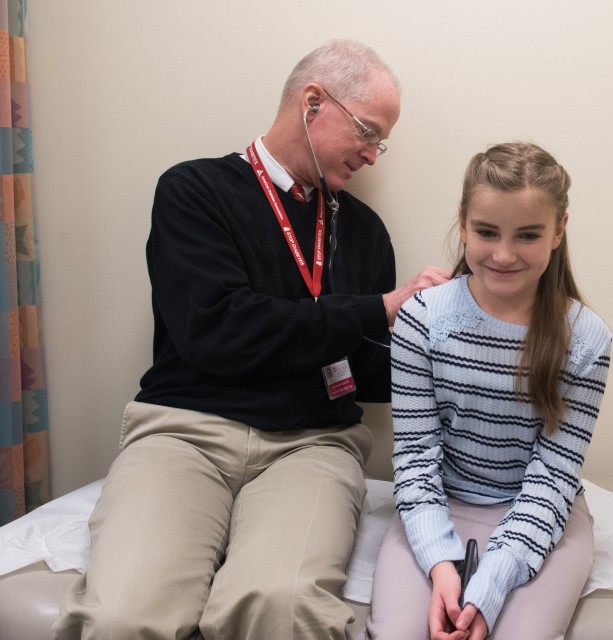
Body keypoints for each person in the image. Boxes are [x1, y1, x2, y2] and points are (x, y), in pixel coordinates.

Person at [53, 40, 449, 640]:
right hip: (185, 432)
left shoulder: (365, 232)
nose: (372, 154)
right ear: (313, 102)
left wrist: (454, 354)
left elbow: (360, 367)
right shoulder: (194, 191)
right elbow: (220, 331)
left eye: (381, 141)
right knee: (121, 617)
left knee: (280, 604)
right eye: (367, 132)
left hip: (311, 443)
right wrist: (377, 309)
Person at [360, 142, 612, 640]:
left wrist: (492, 583)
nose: (503, 254)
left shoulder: (586, 340)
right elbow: (414, 456)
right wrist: (440, 565)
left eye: (528, 235)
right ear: (463, 222)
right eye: (486, 232)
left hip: (539, 511)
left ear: (559, 230)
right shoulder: (423, 319)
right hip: (438, 500)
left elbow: (555, 475)